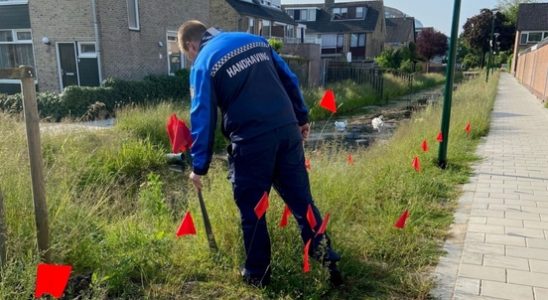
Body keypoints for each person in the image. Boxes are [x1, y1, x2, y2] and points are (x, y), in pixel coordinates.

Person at [178, 20, 341, 287]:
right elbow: (289, 78)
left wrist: (199, 166)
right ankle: (328, 260)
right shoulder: (254, 40)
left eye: (188, 55)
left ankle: (257, 275)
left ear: (191, 45)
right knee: (302, 202)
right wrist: (301, 118)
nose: (191, 58)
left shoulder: (203, 62)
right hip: (287, 131)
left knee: (253, 211)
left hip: (251, 142)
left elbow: (202, 116)